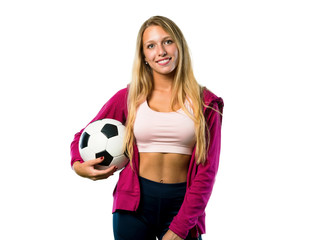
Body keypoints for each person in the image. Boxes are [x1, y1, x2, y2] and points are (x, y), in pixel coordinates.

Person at [70, 16, 224, 240]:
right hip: (134, 206)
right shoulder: (130, 97)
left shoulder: (207, 103)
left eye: (167, 42)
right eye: (151, 46)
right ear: (144, 56)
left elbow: (207, 172)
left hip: (183, 206)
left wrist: (180, 228)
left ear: (179, 45)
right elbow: (81, 137)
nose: (160, 51)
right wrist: (78, 165)